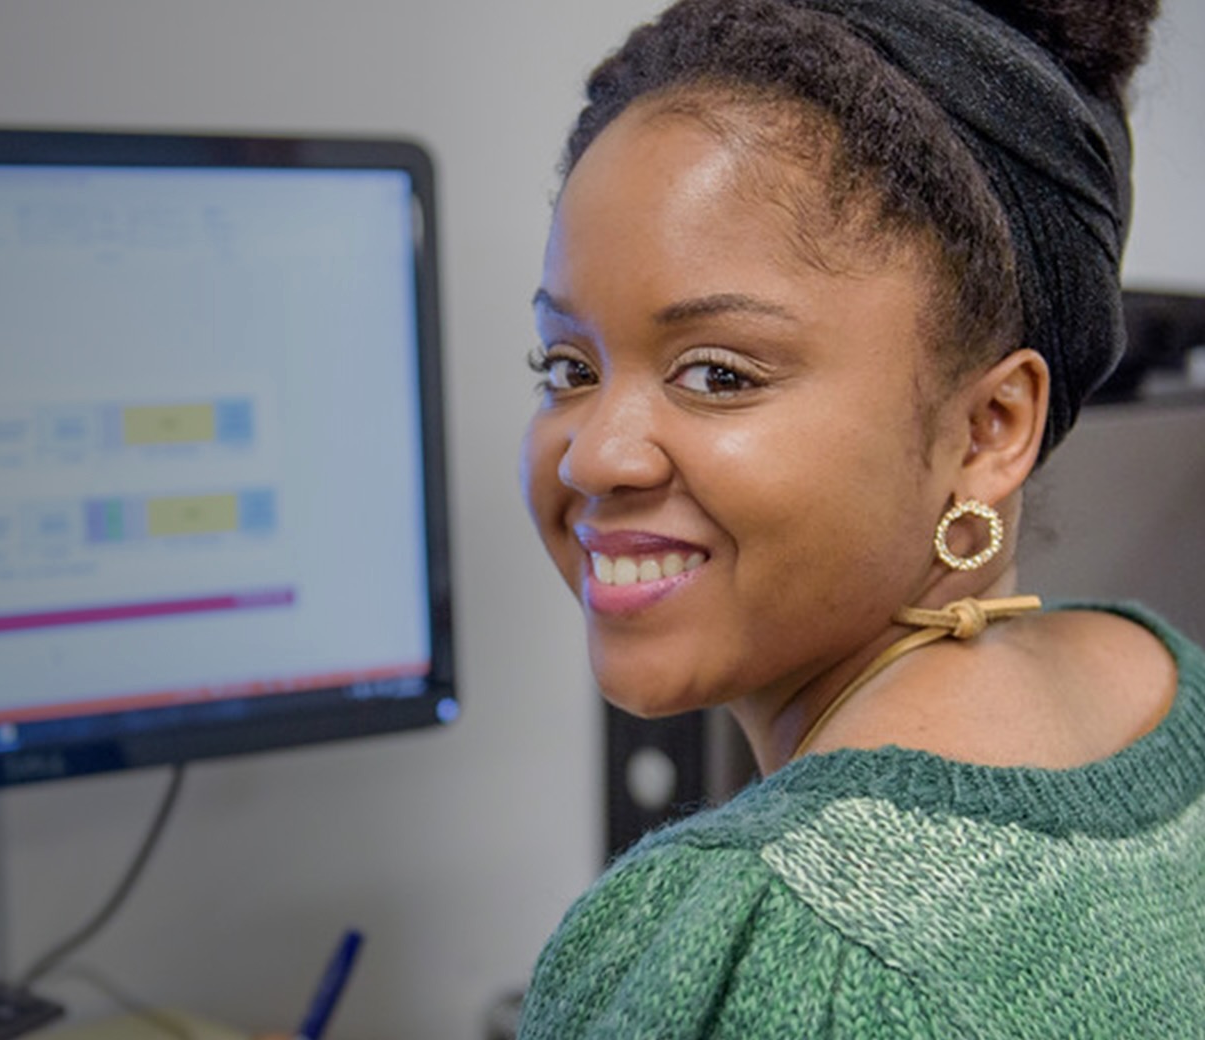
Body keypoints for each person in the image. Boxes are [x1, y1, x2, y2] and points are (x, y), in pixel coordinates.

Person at [515, 0, 1204, 1036]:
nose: (595, 452)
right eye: (568, 366)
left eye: (717, 372)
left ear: (988, 427)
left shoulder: (771, 940)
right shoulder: (1165, 685)